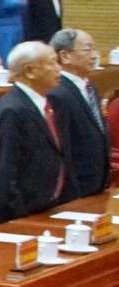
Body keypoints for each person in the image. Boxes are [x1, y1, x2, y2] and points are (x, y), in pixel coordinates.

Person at [0, 41, 71, 224]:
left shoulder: (46, 104)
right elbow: (3, 172)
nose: (59, 68)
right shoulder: (11, 110)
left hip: (47, 208)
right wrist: (20, 218)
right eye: (52, 62)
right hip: (22, 216)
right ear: (30, 71)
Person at [48, 29, 109, 201]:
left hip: (98, 180)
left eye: (95, 50)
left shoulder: (89, 87)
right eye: (88, 50)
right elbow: (64, 146)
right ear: (65, 56)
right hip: (77, 186)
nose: (94, 56)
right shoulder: (57, 93)